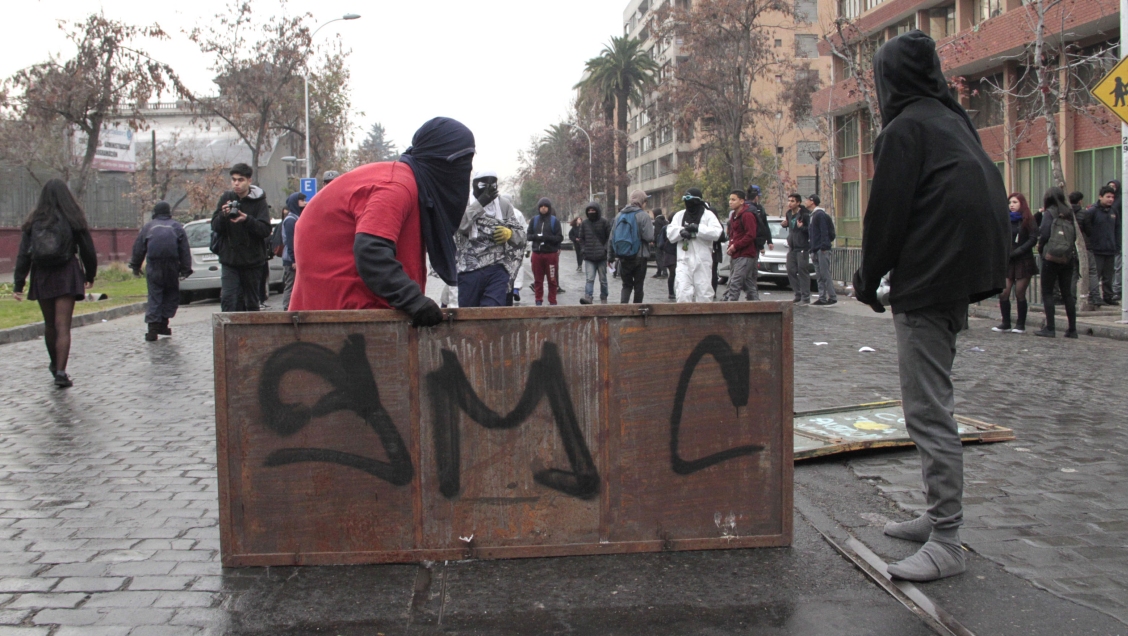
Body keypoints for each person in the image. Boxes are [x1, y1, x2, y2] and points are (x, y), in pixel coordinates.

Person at [852, 30, 1009, 583]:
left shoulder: (904, 129)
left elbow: (885, 216)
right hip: (960, 275)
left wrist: (867, 280)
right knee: (932, 400)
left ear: (887, 80)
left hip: (928, 280)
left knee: (926, 409)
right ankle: (935, 516)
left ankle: (946, 537)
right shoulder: (951, 121)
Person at [288, 116, 474, 328]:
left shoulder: (406, 183)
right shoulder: (395, 187)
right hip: (343, 319)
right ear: (441, 160)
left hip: (356, 317)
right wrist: (413, 301)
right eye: (461, 162)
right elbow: (371, 251)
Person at [11, 179, 98, 388]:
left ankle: (53, 364)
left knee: (50, 324)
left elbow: (24, 254)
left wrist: (18, 284)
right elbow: (87, 249)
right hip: (66, 273)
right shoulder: (73, 218)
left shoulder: (33, 221)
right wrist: (90, 275)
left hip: (42, 275)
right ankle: (61, 371)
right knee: (63, 326)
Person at [455, 170, 527, 307]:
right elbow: (460, 227)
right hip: (469, 269)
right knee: (469, 313)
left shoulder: (504, 205)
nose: (488, 189)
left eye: (492, 184)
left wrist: (510, 234)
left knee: (492, 311)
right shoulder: (464, 201)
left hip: (497, 268)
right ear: (474, 184)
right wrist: (479, 204)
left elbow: (522, 237)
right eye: (483, 184)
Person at [211, 163, 272, 312]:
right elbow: (215, 226)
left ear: (249, 181)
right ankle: (228, 332)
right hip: (230, 260)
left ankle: (251, 333)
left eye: (241, 180)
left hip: (252, 261)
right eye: (234, 180)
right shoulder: (227, 198)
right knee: (228, 299)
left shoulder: (259, 201)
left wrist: (247, 220)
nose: (236, 183)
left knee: (251, 302)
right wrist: (223, 216)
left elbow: (265, 230)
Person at [128, 201, 192, 341]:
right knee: (171, 294)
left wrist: (135, 266)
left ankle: (153, 329)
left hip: (154, 265)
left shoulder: (148, 227)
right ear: (169, 212)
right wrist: (186, 269)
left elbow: (139, 248)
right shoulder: (176, 227)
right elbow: (184, 250)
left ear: (155, 213)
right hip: (172, 266)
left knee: (155, 295)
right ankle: (163, 323)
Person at [1035, 187, 1079, 338]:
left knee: (1047, 292)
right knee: (1067, 293)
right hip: (1067, 257)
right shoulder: (1068, 213)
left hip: (1051, 257)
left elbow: (1045, 233)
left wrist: (1041, 249)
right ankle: (1072, 329)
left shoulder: (1049, 213)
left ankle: (1050, 327)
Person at [991, 193, 1038, 332]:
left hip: (1023, 259)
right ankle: (1006, 322)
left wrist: (1019, 251)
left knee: (1019, 292)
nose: (1011, 205)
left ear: (1021, 204)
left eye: (1015, 202)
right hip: (1008, 259)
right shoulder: (1005, 219)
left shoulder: (1028, 220)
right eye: (1010, 202)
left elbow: (1033, 238)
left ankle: (1020, 324)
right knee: (1004, 292)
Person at [667, 188, 723, 302]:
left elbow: (717, 232)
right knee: (682, 291)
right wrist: (681, 232)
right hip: (684, 260)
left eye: (690, 200)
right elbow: (670, 232)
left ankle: (703, 318)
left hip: (702, 260)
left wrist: (698, 229)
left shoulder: (708, 215)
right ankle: (684, 317)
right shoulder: (680, 215)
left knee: (704, 292)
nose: (688, 203)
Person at [609, 190, 656, 304]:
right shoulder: (643, 216)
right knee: (638, 286)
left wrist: (610, 257)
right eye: (645, 201)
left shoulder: (619, 215)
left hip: (624, 256)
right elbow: (649, 236)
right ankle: (637, 312)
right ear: (642, 202)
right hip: (640, 256)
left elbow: (612, 237)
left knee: (626, 285)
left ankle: (623, 309)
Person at [1079, 185, 1120, 306]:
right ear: (1100, 197)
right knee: (1095, 275)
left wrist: (1117, 245)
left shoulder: (1113, 211)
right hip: (1096, 249)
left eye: (1113, 197)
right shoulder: (1092, 211)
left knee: (1108, 276)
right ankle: (1094, 297)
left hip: (1110, 248)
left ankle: (1108, 296)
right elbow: (1085, 228)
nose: (1111, 199)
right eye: (1108, 197)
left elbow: (1117, 229)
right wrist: (1090, 243)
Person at [722, 190, 760, 301]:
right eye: (730, 199)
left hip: (746, 254)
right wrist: (731, 245)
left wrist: (735, 246)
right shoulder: (734, 215)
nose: (730, 202)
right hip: (736, 254)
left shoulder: (747, 215)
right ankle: (756, 305)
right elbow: (734, 234)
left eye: (733, 199)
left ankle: (730, 304)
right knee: (747, 282)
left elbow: (750, 235)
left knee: (735, 281)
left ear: (742, 201)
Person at [527, 197, 563, 306]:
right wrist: (537, 237)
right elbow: (528, 236)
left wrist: (547, 238)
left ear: (549, 208)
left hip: (551, 254)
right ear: (538, 208)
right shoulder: (534, 220)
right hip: (537, 254)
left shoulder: (554, 221)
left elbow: (559, 237)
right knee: (538, 279)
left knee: (552, 279)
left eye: (545, 206)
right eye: (541, 206)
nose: (543, 208)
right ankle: (538, 300)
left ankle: (552, 301)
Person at [578, 201, 612, 304]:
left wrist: (605, 250)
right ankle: (588, 296)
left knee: (603, 280)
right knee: (590, 279)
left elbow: (609, 238)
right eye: (589, 210)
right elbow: (581, 238)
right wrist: (583, 250)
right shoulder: (584, 223)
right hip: (589, 257)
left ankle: (604, 297)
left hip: (601, 257)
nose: (591, 212)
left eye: (593, 210)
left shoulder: (604, 222)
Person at [781, 193, 811, 304]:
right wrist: (785, 224)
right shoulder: (789, 213)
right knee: (790, 270)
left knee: (802, 271)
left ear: (798, 203)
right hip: (792, 247)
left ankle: (805, 296)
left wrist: (802, 227)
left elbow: (810, 229)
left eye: (792, 201)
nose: (790, 203)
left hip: (802, 246)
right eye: (789, 200)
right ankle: (797, 293)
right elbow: (790, 226)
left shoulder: (804, 214)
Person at [808, 194, 837, 305]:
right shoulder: (813, 215)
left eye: (808, 200)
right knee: (819, 275)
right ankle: (822, 297)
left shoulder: (820, 215)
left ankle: (832, 296)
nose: (806, 202)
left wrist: (824, 246)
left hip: (821, 249)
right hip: (815, 249)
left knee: (825, 274)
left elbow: (824, 231)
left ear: (812, 201)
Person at [280, 192, 305, 311]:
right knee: (290, 285)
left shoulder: (296, 217)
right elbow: (291, 241)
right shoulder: (291, 220)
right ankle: (287, 308)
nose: (304, 203)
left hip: (294, 257)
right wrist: (294, 259)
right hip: (291, 259)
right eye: (301, 200)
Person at [1106, 179, 1122, 302]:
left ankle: (1117, 290)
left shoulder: (1120, 200)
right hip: (1107, 239)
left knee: (1118, 265)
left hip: (1118, 235)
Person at [651, 208, 670, 279]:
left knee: (659, 257)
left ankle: (664, 272)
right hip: (664, 241)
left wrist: (654, 240)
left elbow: (657, 232)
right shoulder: (664, 220)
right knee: (661, 256)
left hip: (658, 242)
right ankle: (659, 272)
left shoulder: (657, 221)